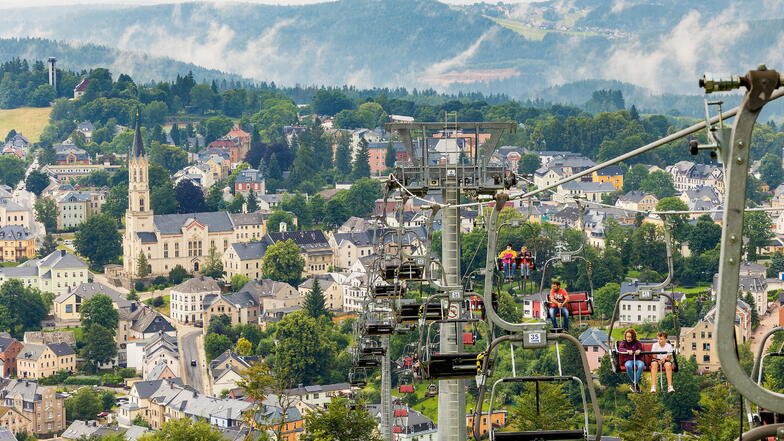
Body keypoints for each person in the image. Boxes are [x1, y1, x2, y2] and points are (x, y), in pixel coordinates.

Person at [618, 328, 645, 393]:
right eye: (627, 337)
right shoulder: (624, 342)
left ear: (633, 337)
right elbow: (620, 348)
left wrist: (639, 350)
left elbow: (641, 348)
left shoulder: (637, 342)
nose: (628, 338)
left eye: (630, 337)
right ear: (625, 336)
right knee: (628, 366)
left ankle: (634, 383)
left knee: (641, 365)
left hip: (637, 359)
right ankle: (635, 383)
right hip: (629, 360)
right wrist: (627, 351)